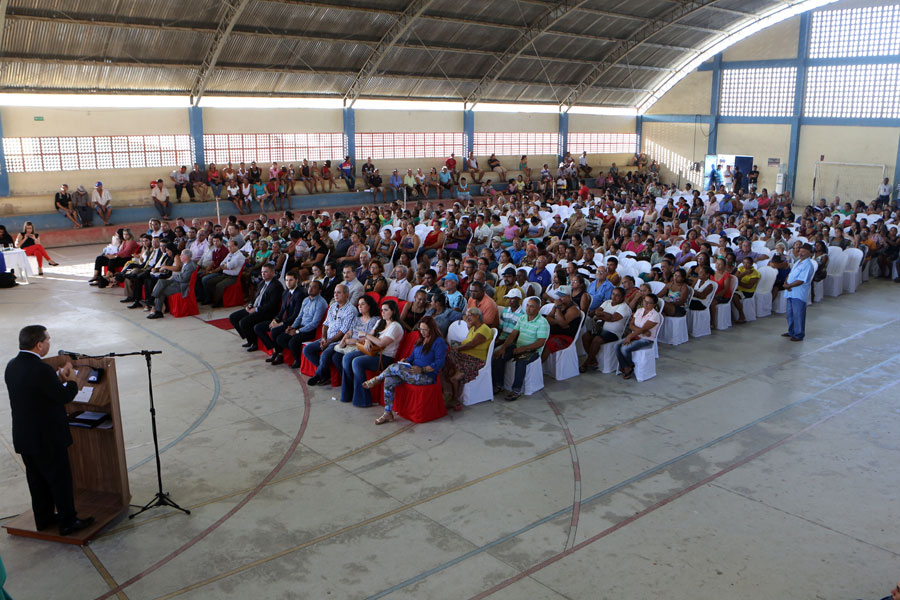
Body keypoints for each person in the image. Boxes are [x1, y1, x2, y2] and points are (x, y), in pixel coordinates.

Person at [5, 325, 94, 536]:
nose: (49, 344)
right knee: (59, 480)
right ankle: (68, 522)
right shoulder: (41, 369)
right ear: (39, 345)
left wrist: (57, 378)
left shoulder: (12, 365)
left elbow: (37, 391)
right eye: (48, 341)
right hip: (47, 438)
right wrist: (71, 380)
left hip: (25, 437)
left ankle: (44, 518)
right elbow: (63, 397)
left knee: (37, 481)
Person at [364, 316, 447, 425]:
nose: (422, 332)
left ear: (432, 328)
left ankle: (378, 379)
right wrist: (406, 361)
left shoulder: (438, 342)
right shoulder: (420, 340)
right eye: (420, 329)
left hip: (426, 376)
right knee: (389, 380)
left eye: (425, 329)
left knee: (395, 367)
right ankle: (388, 412)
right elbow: (412, 357)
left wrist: (422, 369)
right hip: (412, 371)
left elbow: (439, 363)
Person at [342, 300, 405, 407]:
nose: (383, 312)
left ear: (393, 311)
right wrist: (367, 340)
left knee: (357, 362)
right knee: (347, 358)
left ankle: (363, 399)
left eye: (386, 310)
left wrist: (366, 336)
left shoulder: (396, 326)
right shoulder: (380, 322)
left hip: (384, 357)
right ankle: (348, 394)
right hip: (372, 353)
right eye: (382, 310)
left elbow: (381, 343)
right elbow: (371, 335)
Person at [491, 296, 549, 401]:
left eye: (532, 307)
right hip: (518, 346)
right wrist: (504, 347)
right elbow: (513, 334)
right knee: (499, 355)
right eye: (527, 305)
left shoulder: (542, 322)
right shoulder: (522, 318)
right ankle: (499, 384)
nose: (528, 308)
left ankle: (516, 390)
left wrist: (522, 349)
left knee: (520, 362)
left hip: (533, 350)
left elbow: (540, 342)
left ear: (538, 308)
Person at [304, 284, 357, 386]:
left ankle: (318, 375)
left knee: (325, 355)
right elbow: (325, 324)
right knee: (307, 350)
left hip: (338, 341)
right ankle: (326, 374)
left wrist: (329, 342)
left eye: (339, 293)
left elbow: (343, 332)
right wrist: (324, 338)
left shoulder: (351, 310)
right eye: (334, 292)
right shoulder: (332, 307)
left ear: (346, 295)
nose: (335, 295)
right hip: (327, 338)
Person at [446, 307, 493, 411]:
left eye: (470, 315)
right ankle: (454, 380)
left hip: (475, 359)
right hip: (466, 356)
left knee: (451, 355)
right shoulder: (473, 328)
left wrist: (458, 348)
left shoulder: (484, 329)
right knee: (447, 355)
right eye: (466, 315)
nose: (467, 317)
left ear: (477, 316)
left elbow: (472, 344)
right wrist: (469, 324)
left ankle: (455, 395)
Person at [274, 280, 328, 368]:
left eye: (314, 287)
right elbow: (299, 317)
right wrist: (292, 327)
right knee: (281, 338)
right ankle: (295, 355)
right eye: (310, 286)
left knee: (293, 341)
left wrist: (297, 331)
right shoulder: (306, 300)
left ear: (319, 291)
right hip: (300, 326)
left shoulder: (321, 303)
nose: (310, 289)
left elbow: (314, 323)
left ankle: (298, 360)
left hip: (311, 330)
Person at [229, 264, 284, 347]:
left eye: (265, 272)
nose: (263, 274)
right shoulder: (262, 282)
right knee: (233, 317)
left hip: (265, 312)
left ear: (273, 273)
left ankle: (254, 343)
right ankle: (248, 337)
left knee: (244, 322)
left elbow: (271, 305)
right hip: (255, 307)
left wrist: (256, 309)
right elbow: (256, 297)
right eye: (262, 272)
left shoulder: (276, 286)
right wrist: (250, 305)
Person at [580, 286, 631, 372]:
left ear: (622, 297)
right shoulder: (607, 302)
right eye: (613, 294)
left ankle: (587, 363)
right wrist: (606, 316)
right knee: (585, 336)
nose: (614, 297)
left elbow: (613, 318)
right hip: (600, 329)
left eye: (617, 295)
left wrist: (602, 315)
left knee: (597, 339)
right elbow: (596, 312)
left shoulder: (624, 307)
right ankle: (593, 360)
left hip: (614, 333)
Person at [615, 293, 661, 380]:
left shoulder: (655, 316)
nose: (646, 304)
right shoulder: (639, 310)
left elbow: (643, 329)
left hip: (646, 339)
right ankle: (627, 366)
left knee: (624, 349)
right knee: (616, 346)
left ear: (654, 305)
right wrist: (641, 331)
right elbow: (631, 325)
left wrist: (630, 336)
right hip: (636, 336)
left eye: (649, 303)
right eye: (645, 301)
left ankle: (628, 367)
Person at [146, 250, 198, 319]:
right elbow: (181, 276)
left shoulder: (190, 266)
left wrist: (174, 274)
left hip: (182, 286)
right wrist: (175, 276)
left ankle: (158, 311)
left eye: (181, 255)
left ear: (186, 256)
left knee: (161, 292)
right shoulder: (186, 264)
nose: (180, 256)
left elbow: (183, 279)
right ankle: (152, 299)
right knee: (161, 281)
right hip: (177, 281)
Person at [782, 243, 815, 341]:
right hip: (790, 291)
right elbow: (790, 274)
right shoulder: (798, 262)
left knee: (798, 314)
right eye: (800, 251)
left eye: (804, 252)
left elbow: (801, 280)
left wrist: (789, 285)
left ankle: (799, 334)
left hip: (798, 292)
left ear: (809, 253)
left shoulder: (808, 265)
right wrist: (786, 282)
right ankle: (791, 331)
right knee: (790, 314)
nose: (801, 253)